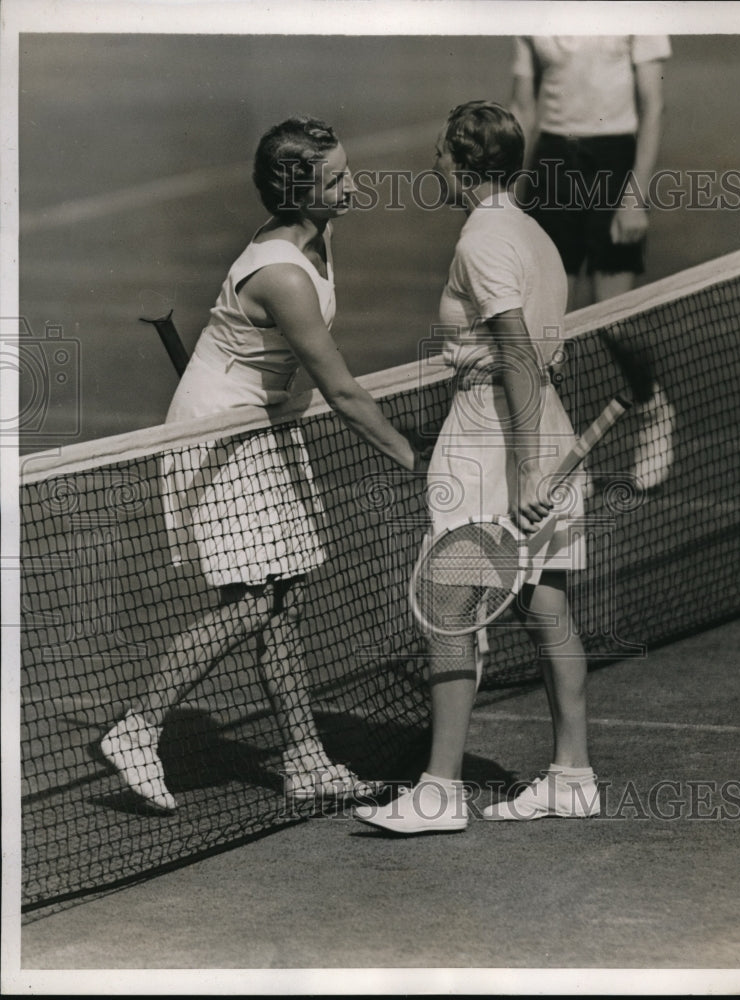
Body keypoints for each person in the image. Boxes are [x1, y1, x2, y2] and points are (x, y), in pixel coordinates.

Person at [101, 116, 426, 812]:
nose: (353, 187)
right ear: (295, 190)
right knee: (252, 601)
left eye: (347, 171)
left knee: (285, 600)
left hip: (262, 425)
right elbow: (339, 387)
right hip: (219, 437)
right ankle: (138, 727)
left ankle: (305, 757)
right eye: (335, 180)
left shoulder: (317, 231)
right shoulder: (281, 274)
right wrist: (410, 458)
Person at [354, 101, 599, 834]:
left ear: (463, 161)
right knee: (547, 606)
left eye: (440, 151)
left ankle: (440, 791)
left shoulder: (482, 240)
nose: (434, 163)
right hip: (536, 422)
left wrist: (523, 472)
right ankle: (572, 775)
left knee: (448, 606)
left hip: (499, 435)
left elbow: (516, 354)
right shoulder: (533, 234)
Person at [510, 35, 674, 490]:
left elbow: (654, 106)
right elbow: (523, 106)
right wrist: (505, 195)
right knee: (543, 323)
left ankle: (654, 409)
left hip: (613, 162)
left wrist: (635, 196)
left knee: (614, 321)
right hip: (551, 164)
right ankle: (560, 450)